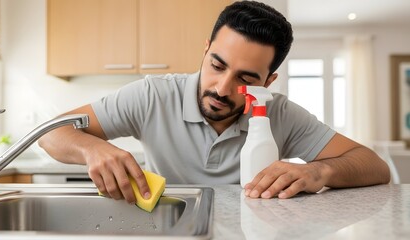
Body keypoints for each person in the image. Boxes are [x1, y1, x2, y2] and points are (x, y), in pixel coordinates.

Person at [38, 1, 390, 204]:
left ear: (268, 82)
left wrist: (317, 171)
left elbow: (374, 166)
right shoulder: (153, 95)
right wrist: (92, 150)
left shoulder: (280, 113)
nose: (222, 88)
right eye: (217, 65)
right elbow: (50, 135)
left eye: (246, 78)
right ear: (205, 50)